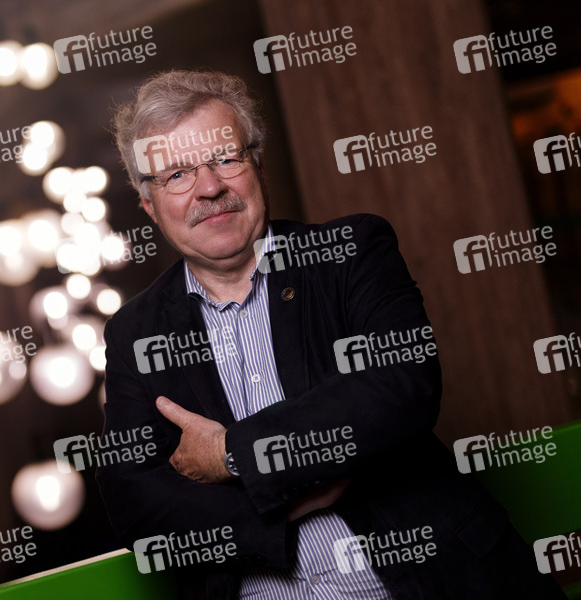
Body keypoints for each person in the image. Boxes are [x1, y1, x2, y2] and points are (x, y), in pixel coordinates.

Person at [95, 70, 566, 599]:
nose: (209, 188)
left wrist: (231, 454)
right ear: (150, 205)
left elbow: (399, 390)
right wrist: (286, 504)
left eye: (226, 159)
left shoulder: (352, 252)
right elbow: (136, 505)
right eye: (178, 174)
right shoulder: (135, 333)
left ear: (258, 167)